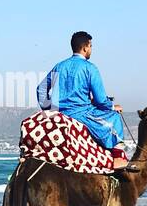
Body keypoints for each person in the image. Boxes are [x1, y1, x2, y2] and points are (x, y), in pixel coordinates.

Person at [37, 31, 135, 171]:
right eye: (91, 46)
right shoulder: (90, 68)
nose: (91, 50)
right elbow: (101, 100)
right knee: (114, 118)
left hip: (59, 114)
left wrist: (50, 111)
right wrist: (112, 107)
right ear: (85, 47)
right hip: (81, 114)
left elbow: (41, 89)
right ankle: (118, 158)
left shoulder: (59, 66)